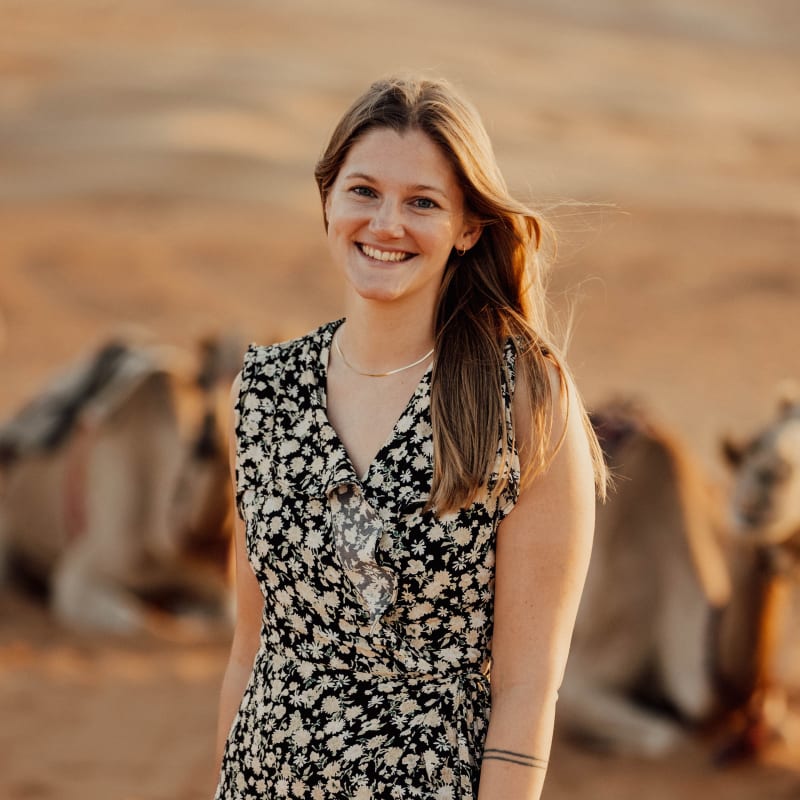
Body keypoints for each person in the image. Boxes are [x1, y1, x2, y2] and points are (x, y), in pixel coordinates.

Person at [213, 75, 606, 800]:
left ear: (467, 227)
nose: (386, 223)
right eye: (363, 191)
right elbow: (251, 649)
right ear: (328, 200)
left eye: (422, 202)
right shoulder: (263, 389)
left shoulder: (522, 397)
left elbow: (527, 688)